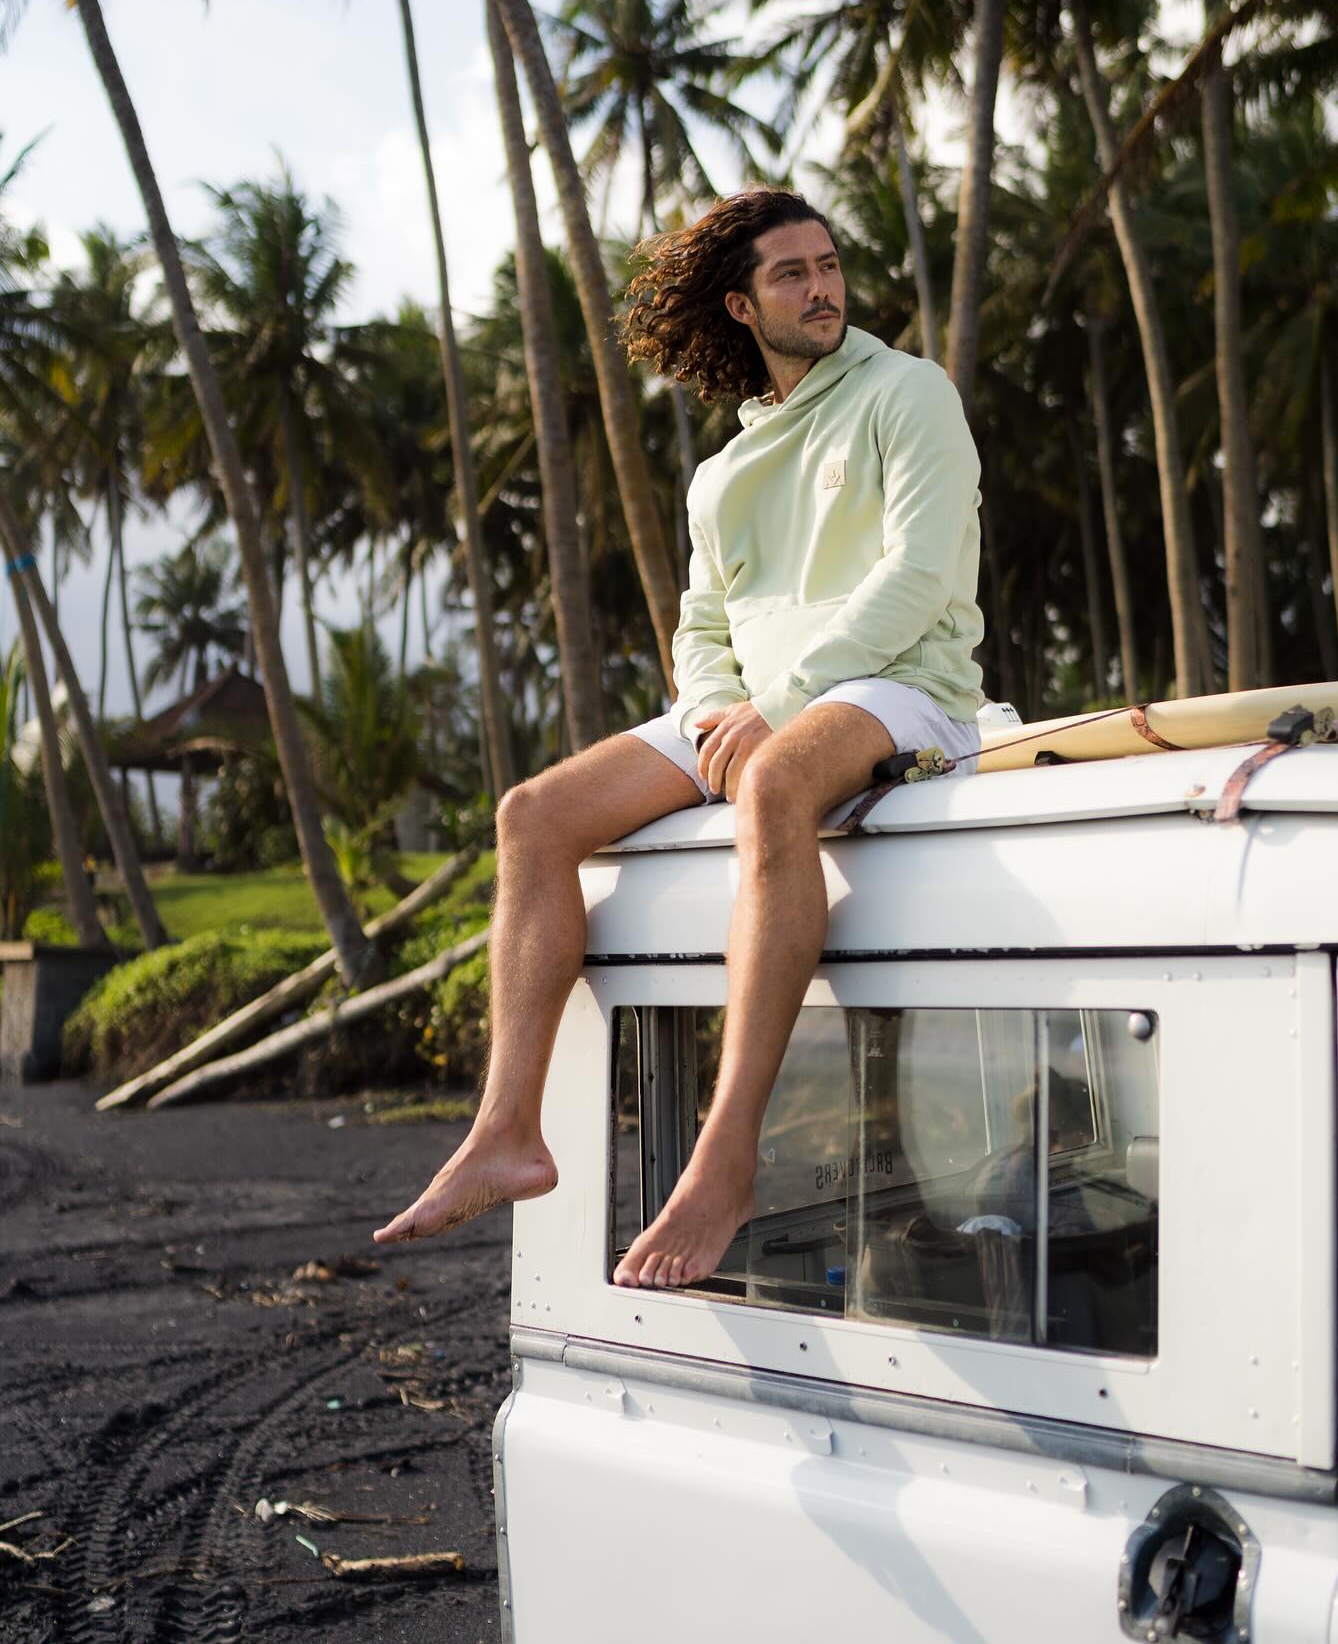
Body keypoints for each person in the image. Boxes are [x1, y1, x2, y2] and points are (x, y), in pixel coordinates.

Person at [374, 186, 984, 1291]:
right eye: (791, 273)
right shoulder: (723, 474)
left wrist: (781, 701)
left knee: (772, 791)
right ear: (744, 308)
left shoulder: (908, 393)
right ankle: (507, 1130)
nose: (821, 287)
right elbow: (700, 628)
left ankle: (726, 1153)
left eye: (829, 264)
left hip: (902, 686)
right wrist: (712, 713)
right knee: (534, 816)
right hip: (754, 703)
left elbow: (919, 573)